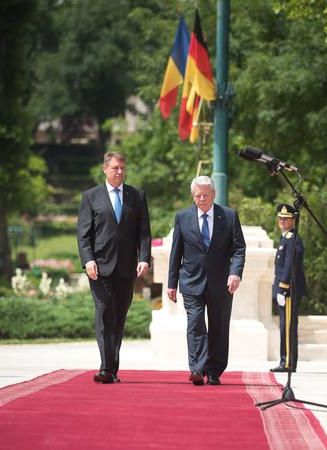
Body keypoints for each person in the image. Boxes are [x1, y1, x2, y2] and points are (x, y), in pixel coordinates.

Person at [77, 152, 151, 384]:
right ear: (105, 169)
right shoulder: (91, 197)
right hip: (99, 268)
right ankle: (106, 368)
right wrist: (88, 259)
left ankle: (113, 368)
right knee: (104, 312)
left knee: (118, 317)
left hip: (127, 267)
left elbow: (144, 232)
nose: (119, 172)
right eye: (115, 168)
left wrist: (144, 258)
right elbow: (83, 234)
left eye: (122, 168)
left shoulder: (136, 196)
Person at [167, 176, 246, 386]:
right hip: (191, 281)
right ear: (193, 196)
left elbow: (238, 248)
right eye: (197, 195)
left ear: (213, 195)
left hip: (221, 282)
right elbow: (176, 252)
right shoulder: (182, 217)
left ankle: (214, 371)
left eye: (205, 195)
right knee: (195, 325)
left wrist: (235, 273)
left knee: (219, 326)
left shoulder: (228, 216)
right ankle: (196, 368)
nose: (201, 199)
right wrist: (171, 283)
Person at [270, 204, 306, 373]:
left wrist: (283, 288)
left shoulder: (293, 239)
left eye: (286, 219)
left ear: (294, 220)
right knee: (285, 325)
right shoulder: (285, 238)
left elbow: (290, 266)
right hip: (284, 289)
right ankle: (286, 360)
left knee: (288, 326)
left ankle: (288, 362)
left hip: (289, 290)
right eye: (281, 218)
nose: (282, 221)